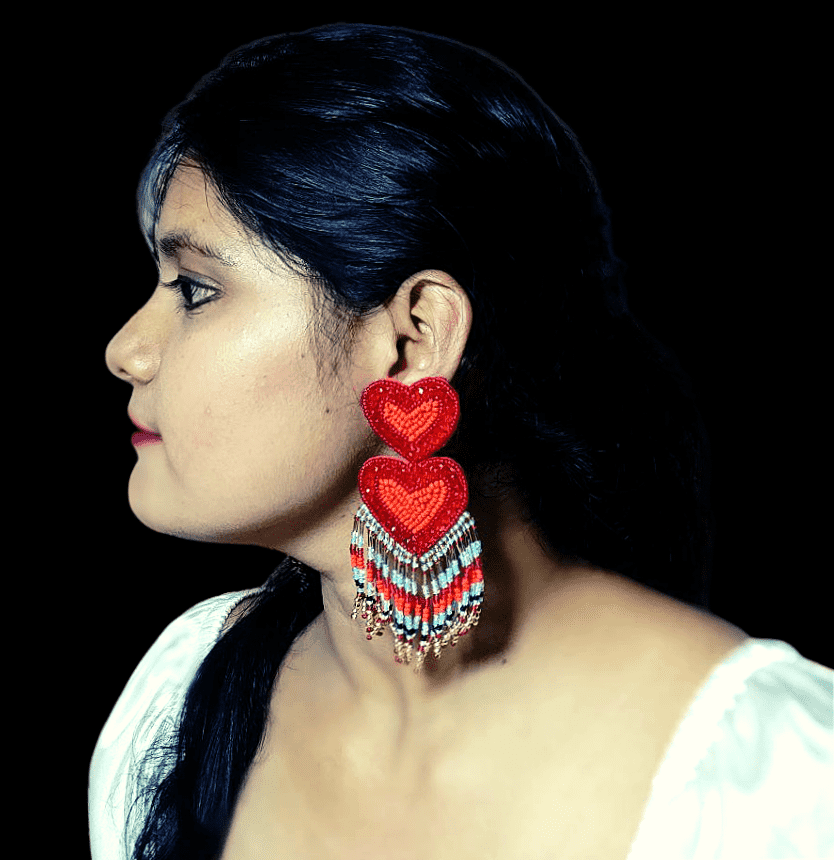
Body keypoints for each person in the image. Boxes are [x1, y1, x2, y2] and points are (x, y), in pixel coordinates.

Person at [90, 22, 833, 860]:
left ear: (414, 341)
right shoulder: (185, 696)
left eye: (195, 289)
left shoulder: (764, 775)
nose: (127, 348)